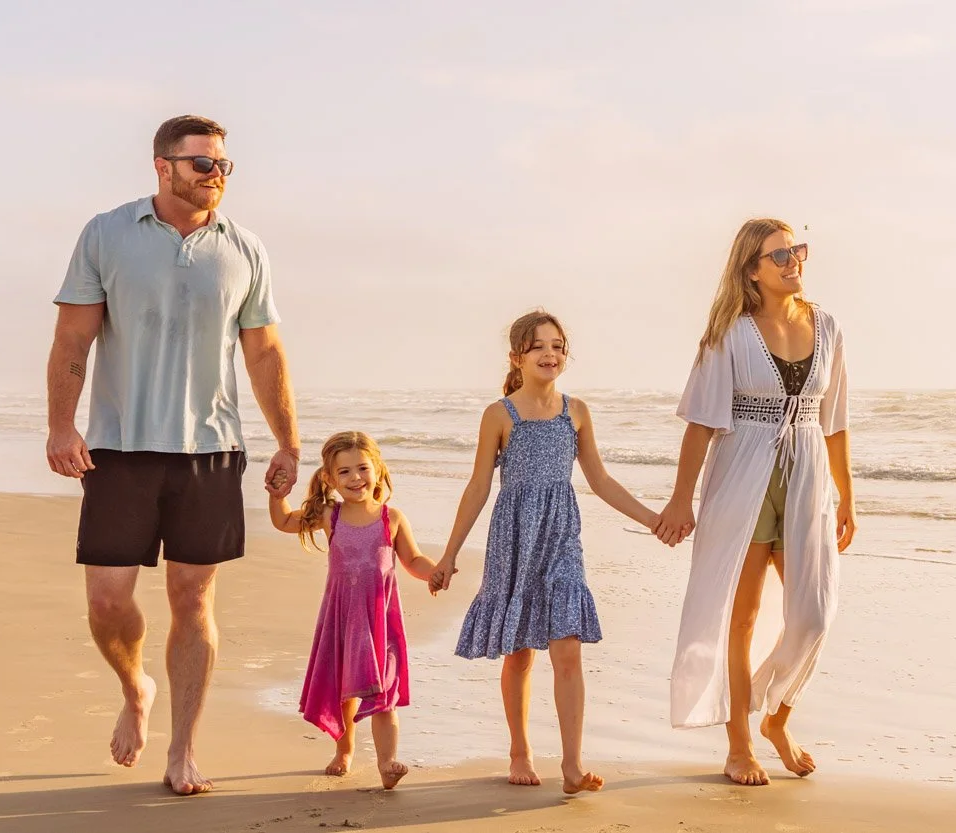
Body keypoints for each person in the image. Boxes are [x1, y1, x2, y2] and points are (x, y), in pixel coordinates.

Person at [43, 114, 300, 796]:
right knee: (107, 600)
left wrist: (288, 440)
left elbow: (265, 350)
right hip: (119, 449)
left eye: (224, 166)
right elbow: (73, 339)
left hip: (210, 451)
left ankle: (183, 748)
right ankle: (135, 687)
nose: (216, 177)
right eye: (202, 165)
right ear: (162, 166)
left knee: (193, 597)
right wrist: (61, 427)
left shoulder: (244, 248)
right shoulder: (106, 234)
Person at [429, 311, 666, 794]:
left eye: (557, 345)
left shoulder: (575, 411)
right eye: (538, 346)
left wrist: (652, 519)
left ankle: (573, 765)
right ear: (517, 357)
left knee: (568, 648)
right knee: (518, 656)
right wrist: (449, 554)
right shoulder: (500, 414)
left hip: (561, 538)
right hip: (513, 539)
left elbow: (599, 480)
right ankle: (519, 750)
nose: (549, 354)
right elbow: (478, 487)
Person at [655, 219, 856, 786]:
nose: (795, 260)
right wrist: (680, 501)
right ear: (751, 269)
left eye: (798, 250)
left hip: (808, 476)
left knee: (814, 613)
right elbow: (700, 423)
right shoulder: (729, 333)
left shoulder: (829, 326)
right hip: (742, 477)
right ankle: (739, 744)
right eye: (781, 254)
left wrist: (848, 496)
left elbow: (835, 420)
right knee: (739, 619)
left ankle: (776, 717)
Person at [268, 432, 438, 790]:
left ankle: (387, 763)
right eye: (344, 472)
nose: (356, 477)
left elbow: (413, 560)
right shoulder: (331, 515)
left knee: (383, 694)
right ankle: (344, 751)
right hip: (343, 618)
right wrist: (277, 496)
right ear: (330, 479)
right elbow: (285, 522)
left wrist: (434, 572)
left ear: (377, 469)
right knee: (346, 692)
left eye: (363, 468)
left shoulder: (391, 519)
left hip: (380, 622)